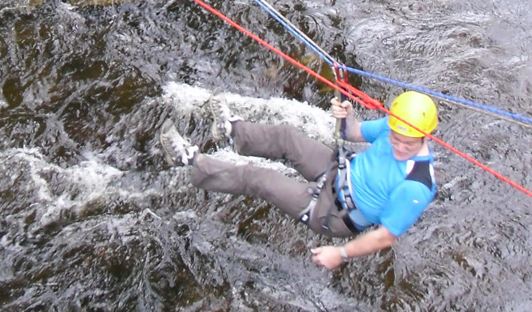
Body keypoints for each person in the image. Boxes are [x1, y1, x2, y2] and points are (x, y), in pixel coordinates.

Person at [162, 91, 440, 270]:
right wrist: (346, 116)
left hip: (335, 214)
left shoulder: (416, 185)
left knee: (262, 180)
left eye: (408, 144)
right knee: (288, 138)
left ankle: (192, 162)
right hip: (339, 170)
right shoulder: (394, 127)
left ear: (425, 137)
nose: (400, 148)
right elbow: (352, 133)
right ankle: (232, 131)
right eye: (396, 139)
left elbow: (384, 238)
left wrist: (340, 254)